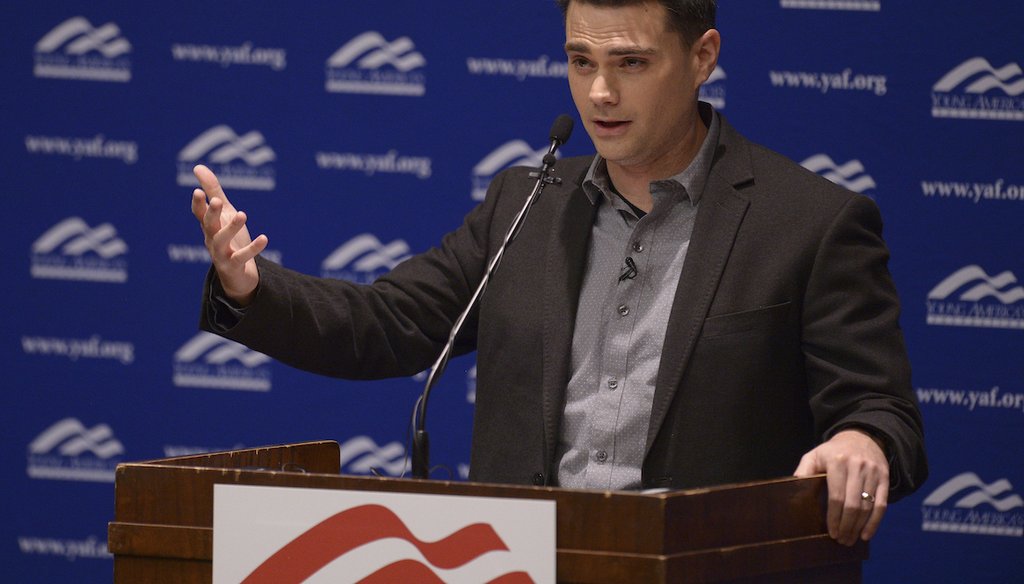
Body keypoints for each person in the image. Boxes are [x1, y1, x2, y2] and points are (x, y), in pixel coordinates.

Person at [191, 0, 926, 548]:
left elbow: (883, 412)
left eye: (630, 63)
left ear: (703, 57)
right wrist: (248, 288)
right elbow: (387, 324)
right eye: (581, 62)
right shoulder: (526, 202)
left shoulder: (811, 222)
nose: (600, 93)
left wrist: (862, 440)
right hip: (515, 561)